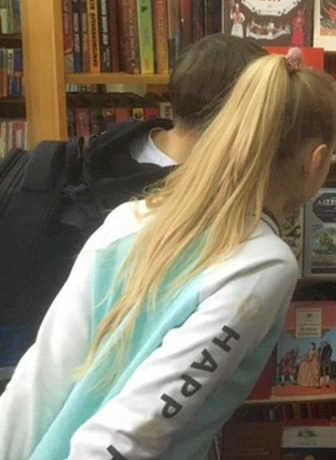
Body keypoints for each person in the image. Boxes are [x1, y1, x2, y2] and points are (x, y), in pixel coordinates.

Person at [0, 52, 336, 458]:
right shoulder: (263, 263)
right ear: (318, 160)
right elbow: (134, 429)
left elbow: (38, 381)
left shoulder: (129, 218)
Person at [0, 34, 268, 375]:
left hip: (35, 356)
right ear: (244, 113)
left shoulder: (112, 144)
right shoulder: (190, 200)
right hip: (116, 372)